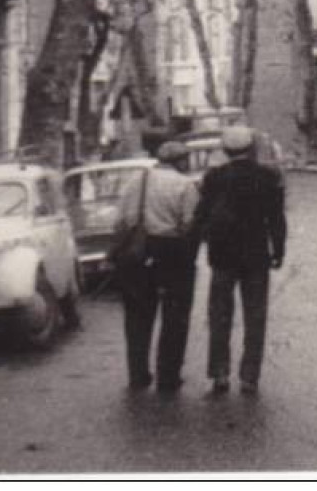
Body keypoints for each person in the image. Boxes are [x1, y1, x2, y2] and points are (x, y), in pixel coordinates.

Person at [194, 126, 287, 396]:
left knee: (220, 315)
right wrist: (278, 249)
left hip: (222, 256)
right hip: (256, 255)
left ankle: (220, 373)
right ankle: (249, 377)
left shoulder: (214, 178)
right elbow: (277, 219)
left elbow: (202, 215)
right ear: (250, 148)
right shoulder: (268, 176)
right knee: (255, 315)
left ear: (225, 150)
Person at [117, 140, 200, 393]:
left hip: (138, 252)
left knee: (137, 316)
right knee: (175, 316)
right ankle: (168, 376)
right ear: (181, 161)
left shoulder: (136, 181)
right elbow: (189, 223)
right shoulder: (186, 185)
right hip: (172, 250)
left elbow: (122, 219)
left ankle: (138, 373)